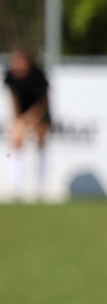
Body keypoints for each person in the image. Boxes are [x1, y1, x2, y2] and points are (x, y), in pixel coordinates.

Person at [4, 47, 51, 201]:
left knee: (41, 138)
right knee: (16, 139)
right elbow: (14, 100)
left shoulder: (39, 76)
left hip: (40, 114)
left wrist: (29, 121)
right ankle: (15, 190)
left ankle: (40, 189)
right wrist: (19, 122)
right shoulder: (10, 76)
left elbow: (42, 105)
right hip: (22, 115)